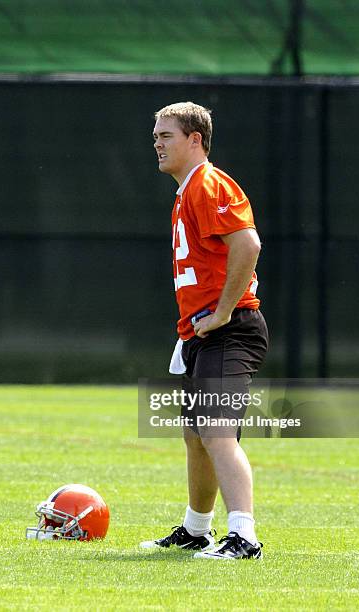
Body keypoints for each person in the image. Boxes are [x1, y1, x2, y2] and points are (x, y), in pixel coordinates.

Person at [140, 102, 269, 560]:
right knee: (196, 437)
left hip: (230, 328)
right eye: (155, 135)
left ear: (195, 139)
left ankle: (244, 536)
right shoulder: (186, 191)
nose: (156, 142)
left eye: (166, 135)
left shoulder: (208, 183)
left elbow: (248, 244)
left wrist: (221, 313)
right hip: (203, 330)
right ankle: (197, 529)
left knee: (216, 432)